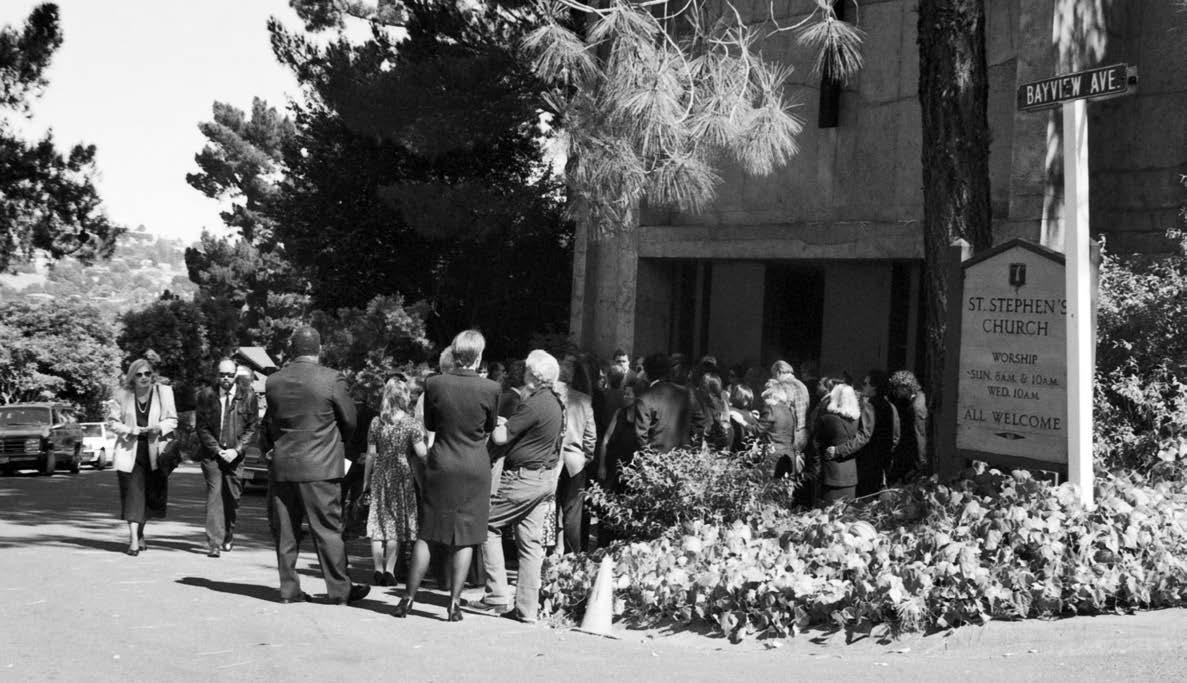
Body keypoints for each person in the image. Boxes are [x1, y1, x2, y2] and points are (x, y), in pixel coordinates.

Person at [395, 330, 501, 622]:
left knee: (428, 532)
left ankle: (408, 598)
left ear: (454, 353)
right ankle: (454, 604)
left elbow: (430, 423)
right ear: (479, 355)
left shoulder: (435, 383)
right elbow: (489, 426)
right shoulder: (491, 388)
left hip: (442, 461)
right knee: (465, 537)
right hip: (474, 465)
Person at [259, 326, 369, 605]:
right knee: (327, 530)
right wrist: (335, 442)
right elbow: (350, 420)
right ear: (319, 348)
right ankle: (339, 590)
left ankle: (289, 590)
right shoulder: (332, 379)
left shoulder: (274, 381)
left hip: (284, 465)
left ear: (292, 349)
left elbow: (270, 422)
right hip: (321, 465)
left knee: (286, 532)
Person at [480, 349, 566, 622]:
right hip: (544, 479)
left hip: (522, 479)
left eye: (528, 369)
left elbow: (501, 437)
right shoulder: (556, 402)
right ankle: (527, 608)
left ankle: (496, 594)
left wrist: (497, 423)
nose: (524, 372)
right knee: (530, 543)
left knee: (486, 525)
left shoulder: (534, 403)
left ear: (534, 375)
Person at [108, 358, 178, 556]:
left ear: (152, 375)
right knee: (132, 496)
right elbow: (113, 422)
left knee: (147, 497)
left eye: (147, 373)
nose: (144, 377)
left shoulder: (163, 392)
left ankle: (139, 534)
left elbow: (172, 420)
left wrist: (158, 427)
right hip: (129, 451)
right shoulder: (122, 395)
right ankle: (133, 542)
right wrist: (131, 430)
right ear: (132, 377)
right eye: (139, 374)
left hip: (154, 452)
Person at [364, 376, 425, 587]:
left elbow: (371, 454)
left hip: (380, 473)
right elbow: (421, 453)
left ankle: (377, 569)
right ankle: (390, 570)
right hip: (402, 474)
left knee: (378, 523)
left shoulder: (376, 422)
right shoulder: (411, 423)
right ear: (405, 397)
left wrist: (366, 481)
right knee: (395, 524)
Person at [195, 358, 259, 558]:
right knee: (215, 496)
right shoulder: (206, 395)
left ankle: (228, 533)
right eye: (222, 374)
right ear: (217, 375)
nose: (226, 378)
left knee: (232, 497)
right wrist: (216, 449)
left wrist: (237, 450)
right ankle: (214, 542)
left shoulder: (248, 395)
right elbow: (201, 427)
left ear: (235, 375)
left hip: (235, 456)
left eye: (230, 375)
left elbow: (252, 427)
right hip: (212, 455)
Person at [556, 358, 596, 554]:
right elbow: (591, 435)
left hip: (551, 459)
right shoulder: (584, 400)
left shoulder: (549, 396)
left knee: (550, 508)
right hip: (575, 461)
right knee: (572, 512)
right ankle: (572, 555)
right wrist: (586, 456)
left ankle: (553, 551)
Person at [854, 370, 901, 497]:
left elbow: (864, 435)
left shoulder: (869, 406)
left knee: (865, 497)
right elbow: (896, 436)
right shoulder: (891, 407)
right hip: (883, 461)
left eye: (865, 384)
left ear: (874, 387)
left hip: (867, 460)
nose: (863, 386)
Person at [634, 353, 692, 453]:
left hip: (655, 457)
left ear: (646, 373)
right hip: (682, 456)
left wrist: (648, 456)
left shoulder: (644, 399)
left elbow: (641, 437)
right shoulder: (684, 393)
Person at [815, 383, 862, 504]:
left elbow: (816, 442)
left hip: (830, 474)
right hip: (850, 474)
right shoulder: (857, 419)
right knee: (847, 512)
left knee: (828, 512)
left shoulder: (827, 419)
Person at [887, 370, 929, 484]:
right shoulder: (917, 398)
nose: (895, 392)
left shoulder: (917, 406)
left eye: (897, 388)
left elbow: (920, 434)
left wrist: (922, 462)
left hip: (917, 459)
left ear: (905, 387)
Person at [759, 380, 798, 479]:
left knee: (770, 486)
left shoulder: (771, 409)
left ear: (771, 397)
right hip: (789, 456)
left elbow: (757, 430)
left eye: (765, 399)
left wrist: (742, 421)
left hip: (774, 458)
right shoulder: (789, 410)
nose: (764, 402)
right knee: (786, 486)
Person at [770, 360, 810, 454]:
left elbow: (796, 410)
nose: (773, 378)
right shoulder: (800, 384)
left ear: (778, 372)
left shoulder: (787, 384)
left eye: (773, 375)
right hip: (801, 430)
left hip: (793, 433)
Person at [727, 383, 759, 453]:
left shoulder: (730, 410)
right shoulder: (749, 414)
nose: (746, 402)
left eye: (747, 400)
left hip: (736, 448)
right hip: (742, 449)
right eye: (745, 399)